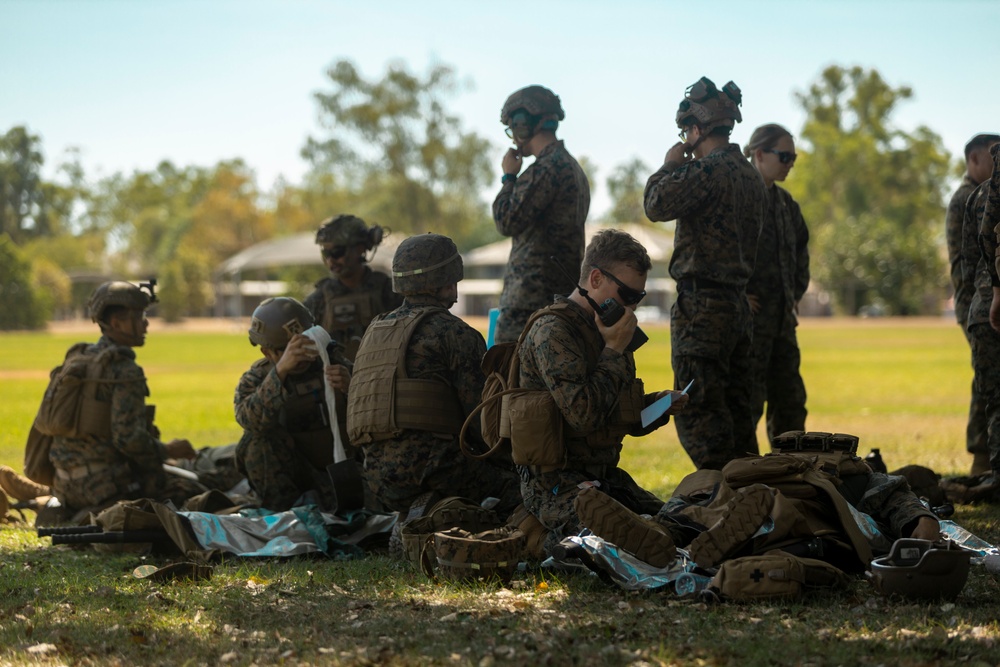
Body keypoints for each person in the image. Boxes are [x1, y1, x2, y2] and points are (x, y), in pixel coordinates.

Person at [512, 229, 689, 557]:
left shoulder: (608, 331)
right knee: (616, 542)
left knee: (681, 525)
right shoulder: (553, 332)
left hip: (603, 478)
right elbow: (583, 416)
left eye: (639, 297)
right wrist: (613, 351)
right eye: (627, 294)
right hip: (556, 485)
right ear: (595, 278)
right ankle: (533, 540)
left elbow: (617, 416)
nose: (632, 306)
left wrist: (658, 405)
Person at [576, 431, 941, 573]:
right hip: (784, 509)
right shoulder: (874, 481)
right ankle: (726, 546)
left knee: (703, 493)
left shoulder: (777, 460)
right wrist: (910, 558)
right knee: (774, 517)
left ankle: (660, 528)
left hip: (736, 490)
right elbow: (921, 524)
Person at [347, 233, 522, 516]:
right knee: (527, 488)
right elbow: (482, 423)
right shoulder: (455, 333)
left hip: (378, 479)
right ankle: (444, 513)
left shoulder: (374, 330)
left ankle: (422, 513)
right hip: (439, 472)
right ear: (446, 279)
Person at [643, 76, 766, 470]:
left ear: (696, 130)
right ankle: (753, 494)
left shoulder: (709, 172)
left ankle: (720, 500)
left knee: (700, 414)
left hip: (702, 310)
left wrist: (668, 166)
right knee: (738, 412)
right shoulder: (750, 176)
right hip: (737, 307)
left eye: (686, 131)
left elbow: (655, 204)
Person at [47, 281, 203, 514]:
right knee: (190, 490)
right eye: (139, 317)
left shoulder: (80, 358)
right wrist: (169, 450)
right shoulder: (124, 370)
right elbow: (129, 439)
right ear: (117, 323)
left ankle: (47, 500)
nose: (146, 323)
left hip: (63, 483)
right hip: (104, 487)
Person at [234, 297, 354, 511]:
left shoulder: (332, 360)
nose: (298, 354)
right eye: (285, 349)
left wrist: (352, 387)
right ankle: (285, 512)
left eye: (302, 342)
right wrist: (280, 373)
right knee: (255, 441)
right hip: (295, 477)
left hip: (343, 468)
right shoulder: (258, 378)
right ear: (267, 352)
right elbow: (249, 420)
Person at [492, 85, 590, 344]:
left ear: (524, 125)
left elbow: (506, 219)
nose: (513, 137)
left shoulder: (545, 169)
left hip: (529, 302)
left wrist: (509, 177)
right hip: (558, 298)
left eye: (513, 128)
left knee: (508, 379)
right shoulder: (572, 167)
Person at [744, 124, 810, 448]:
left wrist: (792, 296)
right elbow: (717, 251)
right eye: (784, 156)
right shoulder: (739, 196)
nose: (789, 164)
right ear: (759, 154)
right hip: (751, 326)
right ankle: (746, 479)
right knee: (749, 403)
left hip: (782, 323)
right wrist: (737, 294)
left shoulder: (786, 204)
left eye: (793, 158)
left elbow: (801, 254)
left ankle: (789, 473)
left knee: (790, 401)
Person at [949, 134, 1000, 475]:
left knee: (986, 383)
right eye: (991, 159)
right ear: (974, 160)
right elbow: (964, 263)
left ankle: (985, 459)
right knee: (988, 385)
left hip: (982, 301)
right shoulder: (969, 197)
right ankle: (982, 457)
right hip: (979, 302)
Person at [303, 214, 402, 361]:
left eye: (337, 252)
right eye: (326, 253)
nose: (331, 260)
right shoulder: (319, 299)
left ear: (360, 249)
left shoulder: (389, 291)